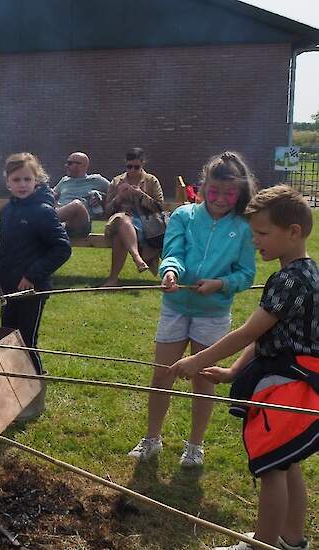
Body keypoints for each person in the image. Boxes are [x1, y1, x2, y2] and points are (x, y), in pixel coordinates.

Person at [169, 186, 317, 550]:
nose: (255, 241)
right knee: (288, 463)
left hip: (288, 384)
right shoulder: (310, 273)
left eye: (263, 234)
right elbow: (269, 336)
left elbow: (249, 332)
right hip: (302, 381)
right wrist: (234, 372)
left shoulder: (287, 280)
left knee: (270, 467)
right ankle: (290, 540)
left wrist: (197, 360)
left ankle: (262, 545)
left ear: (293, 232)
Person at [128, 151, 257, 467]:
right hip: (176, 306)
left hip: (213, 313)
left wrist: (221, 284)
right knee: (163, 374)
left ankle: (195, 445)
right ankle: (151, 438)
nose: (221, 199)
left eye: (229, 193)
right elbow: (173, 253)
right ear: (202, 188)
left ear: (239, 193)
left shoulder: (243, 227)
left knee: (204, 379)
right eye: (214, 192)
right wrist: (169, 271)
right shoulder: (184, 216)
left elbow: (246, 273)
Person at [0, 153, 71, 420]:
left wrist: (33, 275)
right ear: (8, 182)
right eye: (17, 179)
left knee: (27, 340)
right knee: (7, 337)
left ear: (36, 180)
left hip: (32, 291)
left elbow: (62, 248)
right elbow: (3, 249)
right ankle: (13, 387)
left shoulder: (43, 211)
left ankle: (35, 396)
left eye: (27, 178)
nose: (22, 184)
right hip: (8, 288)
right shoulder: (10, 210)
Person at [101, 147, 165, 286]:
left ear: (143, 163)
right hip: (119, 220)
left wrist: (141, 195)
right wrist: (119, 197)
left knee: (120, 236)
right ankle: (137, 258)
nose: (132, 170)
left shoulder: (151, 180)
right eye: (129, 166)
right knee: (123, 220)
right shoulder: (117, 181)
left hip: (145, 223)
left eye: (136, 167)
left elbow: (159, 207)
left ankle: (113, 279)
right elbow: (107, 211)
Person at [52, 152, 110, 238]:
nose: (66, 165)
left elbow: (114, 191)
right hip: (62, 221)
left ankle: (47, 221)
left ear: (83, 166)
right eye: (67, 162)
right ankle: (53, 225)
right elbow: (52, 194)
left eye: (70, 163)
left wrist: (102, 198)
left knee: (76, 204)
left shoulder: (96, 180)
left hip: (80, 222)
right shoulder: (64, 180)